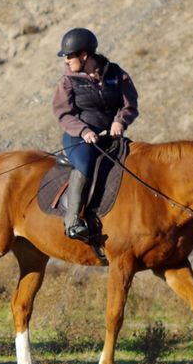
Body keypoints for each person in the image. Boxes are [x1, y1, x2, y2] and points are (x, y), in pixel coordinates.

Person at [51, 28, 139, 240]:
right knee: (86, 164)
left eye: (69, 56)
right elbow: (63, 113)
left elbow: (130, 105)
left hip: (110, 136)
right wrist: (83, 131)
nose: (66, 61)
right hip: (79, 136)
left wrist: (120, 121)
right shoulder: (67, 80)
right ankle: (73, 221)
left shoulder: (117, 74)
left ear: (84, 55)